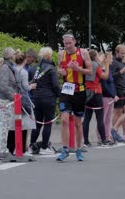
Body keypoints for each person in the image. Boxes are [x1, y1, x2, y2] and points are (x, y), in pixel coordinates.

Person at [56, 33, 93, 162]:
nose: (67, 46)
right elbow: (59, 68)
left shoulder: (83, 52)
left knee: (78, 122)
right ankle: (65, 149)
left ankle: (78, 149)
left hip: (80, 90)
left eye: (69, 43)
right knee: (65, 119)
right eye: (65, 43)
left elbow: (90, 71)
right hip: (66, 90)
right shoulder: (61, 54)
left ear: (74, 42)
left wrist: (78, 69)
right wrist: (60, 72)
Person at [28, 47, 60, 155]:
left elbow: (29, 84)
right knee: (47, 123)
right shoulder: (51, 69)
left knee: (37, 123)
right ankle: (44, 147)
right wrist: (59, 95)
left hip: (36, 98)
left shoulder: (33, 68)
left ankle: (32, 146)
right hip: (49, 98)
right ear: (49, 56)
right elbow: (55, 85)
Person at [0, 47, 19, 160]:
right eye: (14, 54)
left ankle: (3, 149)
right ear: (10, 56)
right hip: (6, 100)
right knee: (4, 125)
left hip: (7, 99)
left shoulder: (6, 67)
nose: (15, 56)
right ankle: (2, 150)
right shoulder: (5, 68)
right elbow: (4, 87)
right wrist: (14, 97)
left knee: (5, 125)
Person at [9, 51, 37, 155]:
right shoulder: (24, 72)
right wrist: (32, 86)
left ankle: (11, 148)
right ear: (25, 60)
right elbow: (25, 88)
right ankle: (21, 149)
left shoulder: (12, 69)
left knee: (12, 126)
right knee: (24, 126)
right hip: (22, 100)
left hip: (12, 98)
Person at [83, 50, 111, 147]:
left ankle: (86, 141)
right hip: (96, 92)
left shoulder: (85, 65)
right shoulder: (95, 65)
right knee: (99, 117)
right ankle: (103, 139)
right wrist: (107, 65)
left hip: (87, 92)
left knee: (87, 117)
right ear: (95, 57)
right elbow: (105, 76)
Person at [100, 52, 119, 144]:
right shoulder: (103, 71)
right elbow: (104, 86)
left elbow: (111, 84)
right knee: (103, 118)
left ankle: (108, 136)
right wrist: (112, 95)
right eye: (110, 58)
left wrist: (114, 95)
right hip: (105, 97)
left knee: (108, 118)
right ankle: (101, 136)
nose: (112, 60)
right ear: (106, 59)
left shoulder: (108, 70)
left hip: (111, 97)